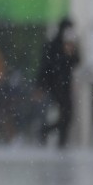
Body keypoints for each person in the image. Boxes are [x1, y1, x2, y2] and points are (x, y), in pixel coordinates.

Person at [36, 18, 81, 148]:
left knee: (67, 114)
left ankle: (54, 135)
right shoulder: (53, 45)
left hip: (65, 84)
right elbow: (46, 65)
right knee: (66, 112)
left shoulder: (70, 44)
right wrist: (41, 85)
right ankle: (52, 134)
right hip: (55, 84)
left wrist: (72, 52)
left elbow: (76, 61)